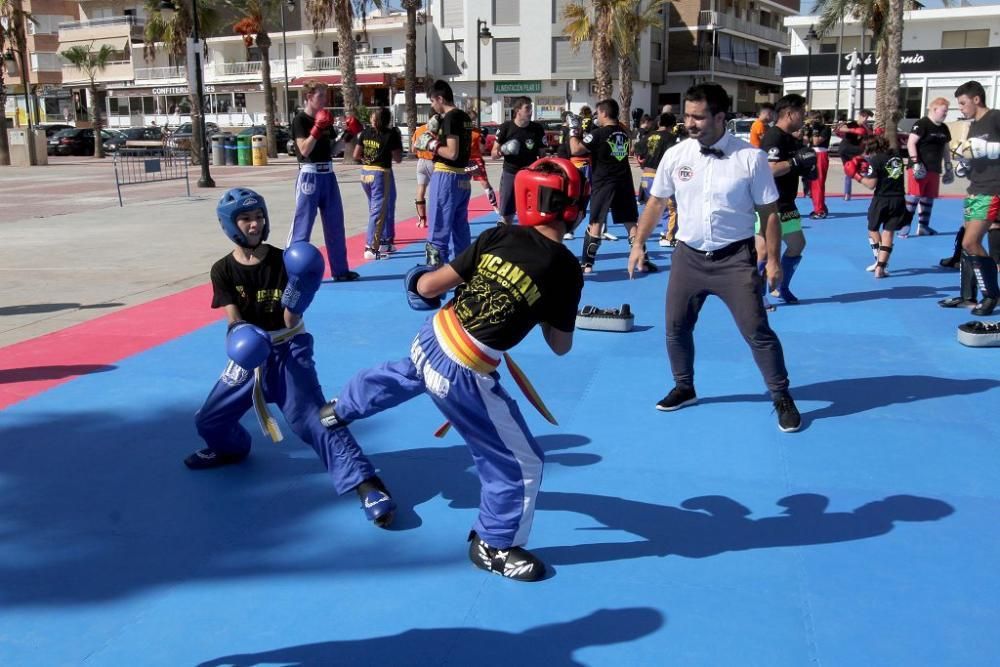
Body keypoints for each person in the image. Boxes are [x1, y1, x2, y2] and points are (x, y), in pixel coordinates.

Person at [318, 157, 588, 581]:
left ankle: (340, 407)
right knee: (523, 463)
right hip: (464, 369)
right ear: (575, 206)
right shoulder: (566, 269)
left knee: (408, 373)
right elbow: (560, 346)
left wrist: (419, 282)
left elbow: (426, 287)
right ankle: (494, 545)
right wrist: (548, 310)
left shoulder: (500, 234)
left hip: (432, 334)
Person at [188, 187, 396, 527]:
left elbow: (290, 320)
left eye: (258, 217)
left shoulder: (283, 261)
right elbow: (233, 319)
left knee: (313, 421)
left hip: (288, 347)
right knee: (208, 420)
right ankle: (231, 449)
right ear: (230, 225)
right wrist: (240, 339)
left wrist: (301, 290)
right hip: (249, 352)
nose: (254, 225)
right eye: (246, 219)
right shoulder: (222, 270)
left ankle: (367, 484)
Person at [626, 82, 801, 433]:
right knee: (676, 328)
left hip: (734, 260)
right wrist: (638, 243)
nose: (689, 123)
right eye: (686, 116)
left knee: (757, 331)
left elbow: (769, 212)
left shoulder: (750, 159)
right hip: (687, 257)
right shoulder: (676, 155)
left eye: (697, 117)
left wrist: (774, 260)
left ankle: (781, 395)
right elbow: (656, 202)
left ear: (720, 117)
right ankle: (684, 386)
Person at [569, 98, 656, 274]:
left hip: (604, 182)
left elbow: (576, 150)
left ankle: (587, 264)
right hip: (623, 181)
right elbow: (631, 137)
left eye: (598, 113)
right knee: (630, 222)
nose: (596, 117)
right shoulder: (623, 132)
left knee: (596, 221)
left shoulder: (599, 133)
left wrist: (573, 130)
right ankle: (643, 260)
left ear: (603, 113)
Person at [939, 80, 1000, 317]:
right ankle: (969, 296)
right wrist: (967, 163)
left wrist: (990, 149)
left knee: (970, 242)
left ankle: (992, 295)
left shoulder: (995, 117)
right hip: (976, 188)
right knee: (967, 242)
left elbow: (988, 150)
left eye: (963, 103)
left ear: (976, 99)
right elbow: (977, 153)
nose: (961, 108)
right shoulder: (973, 126)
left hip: (992, 189)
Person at [288, 81, 358, 282]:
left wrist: (348, 135)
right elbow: (304, 150)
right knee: (303, 225)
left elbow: (333, 150)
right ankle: (294, 271)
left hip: (328, 174)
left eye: (325, 96)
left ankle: (340, 270)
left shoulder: (326, 120)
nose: (325, 100)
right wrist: (316, 129)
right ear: (309, 97)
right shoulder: (300, 120)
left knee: (335, 224)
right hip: (309, 175)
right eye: (321, 96)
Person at [759, 93, 816, 304]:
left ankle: (781, 288)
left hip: (787, 202)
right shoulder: (773, 136)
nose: (804, 117)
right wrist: (795, 162)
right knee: (763, 250)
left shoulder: (792, 139)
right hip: (768, 203)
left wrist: (807, 169)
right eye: (802, 113)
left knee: (797, 244)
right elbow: (770, 169)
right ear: (790, 114)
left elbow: (794, 165)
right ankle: (758, 295)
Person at [414, 79, 474, 267]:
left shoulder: (450, 118)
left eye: (432, 101)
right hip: (462, 179)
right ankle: (464, 278)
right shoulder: (464, 117)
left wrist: (431, 144)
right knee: (461, 231)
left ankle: (436, 281)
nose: (432, 106)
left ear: (440, 98)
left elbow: (451, 152)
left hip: (446, 177)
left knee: (438, 231)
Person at [844, 135, 908, 278]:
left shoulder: (876, 159)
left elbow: (871, 184)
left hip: (882, 199)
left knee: (872, 229)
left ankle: (878, 259)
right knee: (888, 233)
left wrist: (856, 176)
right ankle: (881, 267)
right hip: (898, 198)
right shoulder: (896, 157)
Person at [354, 107, 403, 260]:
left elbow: (356, 155)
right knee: (379, 211)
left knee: (376, 208)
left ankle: (384, 241)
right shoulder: (390, 134)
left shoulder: (365, 133)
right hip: (380, 174)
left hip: (365, 173)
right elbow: (398, 158)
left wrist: (369, 160)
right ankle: (371, 247)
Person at [900, 98, 953, 238]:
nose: (945, 114)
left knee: (928, 198)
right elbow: (911, 143)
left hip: (934, 168)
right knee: (914, 197)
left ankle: (923, 227)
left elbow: (946, 149)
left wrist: (948, 166)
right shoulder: (921, 124)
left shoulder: (944, 128)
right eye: (944, 111)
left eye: (946, 111)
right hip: (919, 168)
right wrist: (916, 162)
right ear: (934, 109)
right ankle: (904, 226)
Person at [492, 96, 546, 225]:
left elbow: (542, 155)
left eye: (531, 108)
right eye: (527, 108)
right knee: (507, 213)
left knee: (532, 212)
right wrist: (503, 150)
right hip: (510, 173)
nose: (530, 111)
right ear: (518, 110)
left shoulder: (537, 129)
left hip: (530, 175)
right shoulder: (506, 127)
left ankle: (528, 241)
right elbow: (493, 153)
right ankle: (505, 239)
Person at [635, 112, 679, 248]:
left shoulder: (649, 135)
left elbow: (637, 150)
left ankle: (638, 232)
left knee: (650, 206)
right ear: (673, 125)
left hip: (645, 177)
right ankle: (668, 237)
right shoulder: (671, 138)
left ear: (659, 123)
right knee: (671, 208)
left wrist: (642, 161)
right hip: (659, 177)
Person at [557, 106, 594, 240]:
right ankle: (567, 229)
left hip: (581, 167)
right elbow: (567, 149)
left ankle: (570, 229)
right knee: (574, 201)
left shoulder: (587, 133)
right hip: (574, 167)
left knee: (582, 203)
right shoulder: (568, 133)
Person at [836, 109, 873, 201]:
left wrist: (866, 128)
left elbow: (871, 136)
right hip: (846, 148)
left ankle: (847, 194)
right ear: (860, 116)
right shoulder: (852, 123)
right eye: (864, 117)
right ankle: (869, 173)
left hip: (852, 150)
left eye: (867, 118)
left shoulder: (865, 127)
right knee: (867, 157)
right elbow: (840, 128)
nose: (865, 119)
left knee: (849, 170)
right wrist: (853, 130)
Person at [802, 110, 832, 219]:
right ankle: (821, 207)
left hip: (821, 154)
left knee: (818, 183)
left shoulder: (825, 129)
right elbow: (806, 142)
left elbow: (816, 142)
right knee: (810, 183)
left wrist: (815, 129)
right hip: (811, 154)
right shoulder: (811, 128)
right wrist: (806, 131)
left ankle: (819, 211)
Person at [466, 124, 500, 216]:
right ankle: (461, 207)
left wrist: (482, 140)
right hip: (465, 160)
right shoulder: (462, 131)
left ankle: (495, 206)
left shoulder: (477, 132)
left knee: (484, 183)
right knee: (463, 185)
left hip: (474, 160)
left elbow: (482, 149)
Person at [411, 120, 437, 228]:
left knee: (420, 190)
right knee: (436, 191)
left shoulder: (420, 129)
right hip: (433, 162)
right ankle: (436, 220)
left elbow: (413, 149)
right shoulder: (437, 129)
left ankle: (422, 220)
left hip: (421, 162)